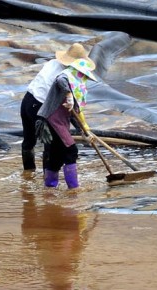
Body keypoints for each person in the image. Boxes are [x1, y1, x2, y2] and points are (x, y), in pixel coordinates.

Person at [20, 43, 89, 172]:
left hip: (27, 101)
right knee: (51, 145)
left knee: (29, 141)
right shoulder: (67, 76)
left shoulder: (52, 63)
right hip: (42, 107)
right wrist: (83, 129)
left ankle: (28, 174)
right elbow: (71, 108)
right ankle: (48, 180)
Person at [36, 57, 98, 189]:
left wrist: (84, 133)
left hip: (59, 123)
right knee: (71, 150)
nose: (84, 79)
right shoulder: (65, 78)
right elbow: (60, 80)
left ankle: (50, 187)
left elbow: (74, 114)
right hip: (52, 121)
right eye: (83, 75)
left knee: (56, 156)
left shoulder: (76, 89)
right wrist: (69, 94)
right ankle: (73, 188)